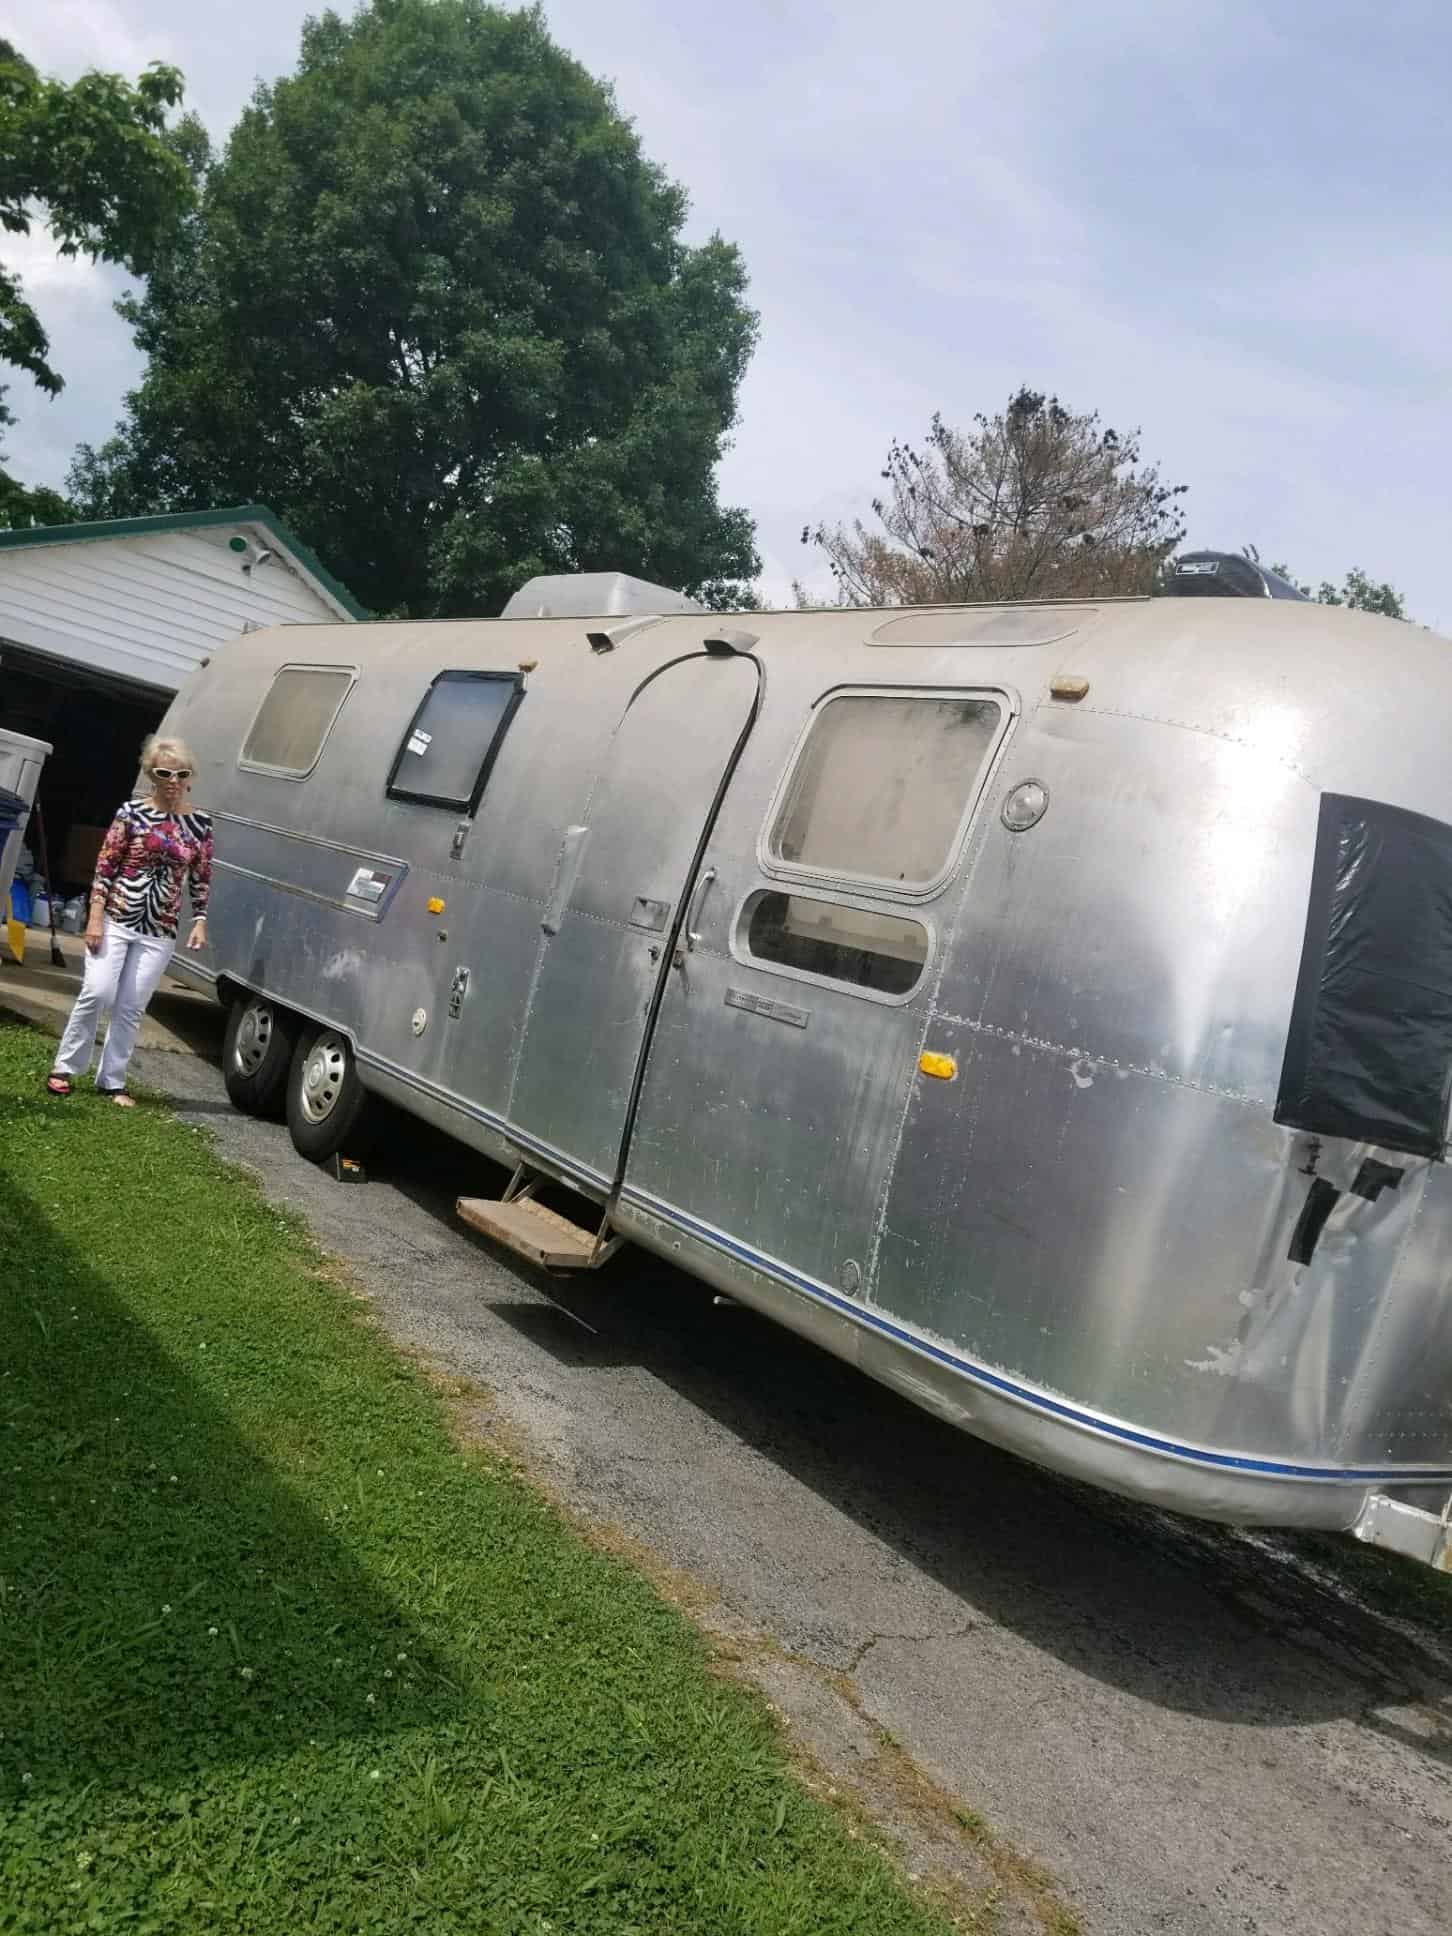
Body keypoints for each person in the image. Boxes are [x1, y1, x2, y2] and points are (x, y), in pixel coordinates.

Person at [46, 736, 212, 1106]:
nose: (173, 780)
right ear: (152, 775)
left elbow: (201, 877)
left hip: (161, 929)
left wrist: (199, 920)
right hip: (118, 919)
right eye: (165, 772)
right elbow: (105, 868)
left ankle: (112, 1081)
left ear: (190, 777)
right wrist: (94, 918)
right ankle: (65, 1067)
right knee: (97, 991)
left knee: (131, 1006)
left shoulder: (200, 824)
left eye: (181, 773)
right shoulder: (131, 813)